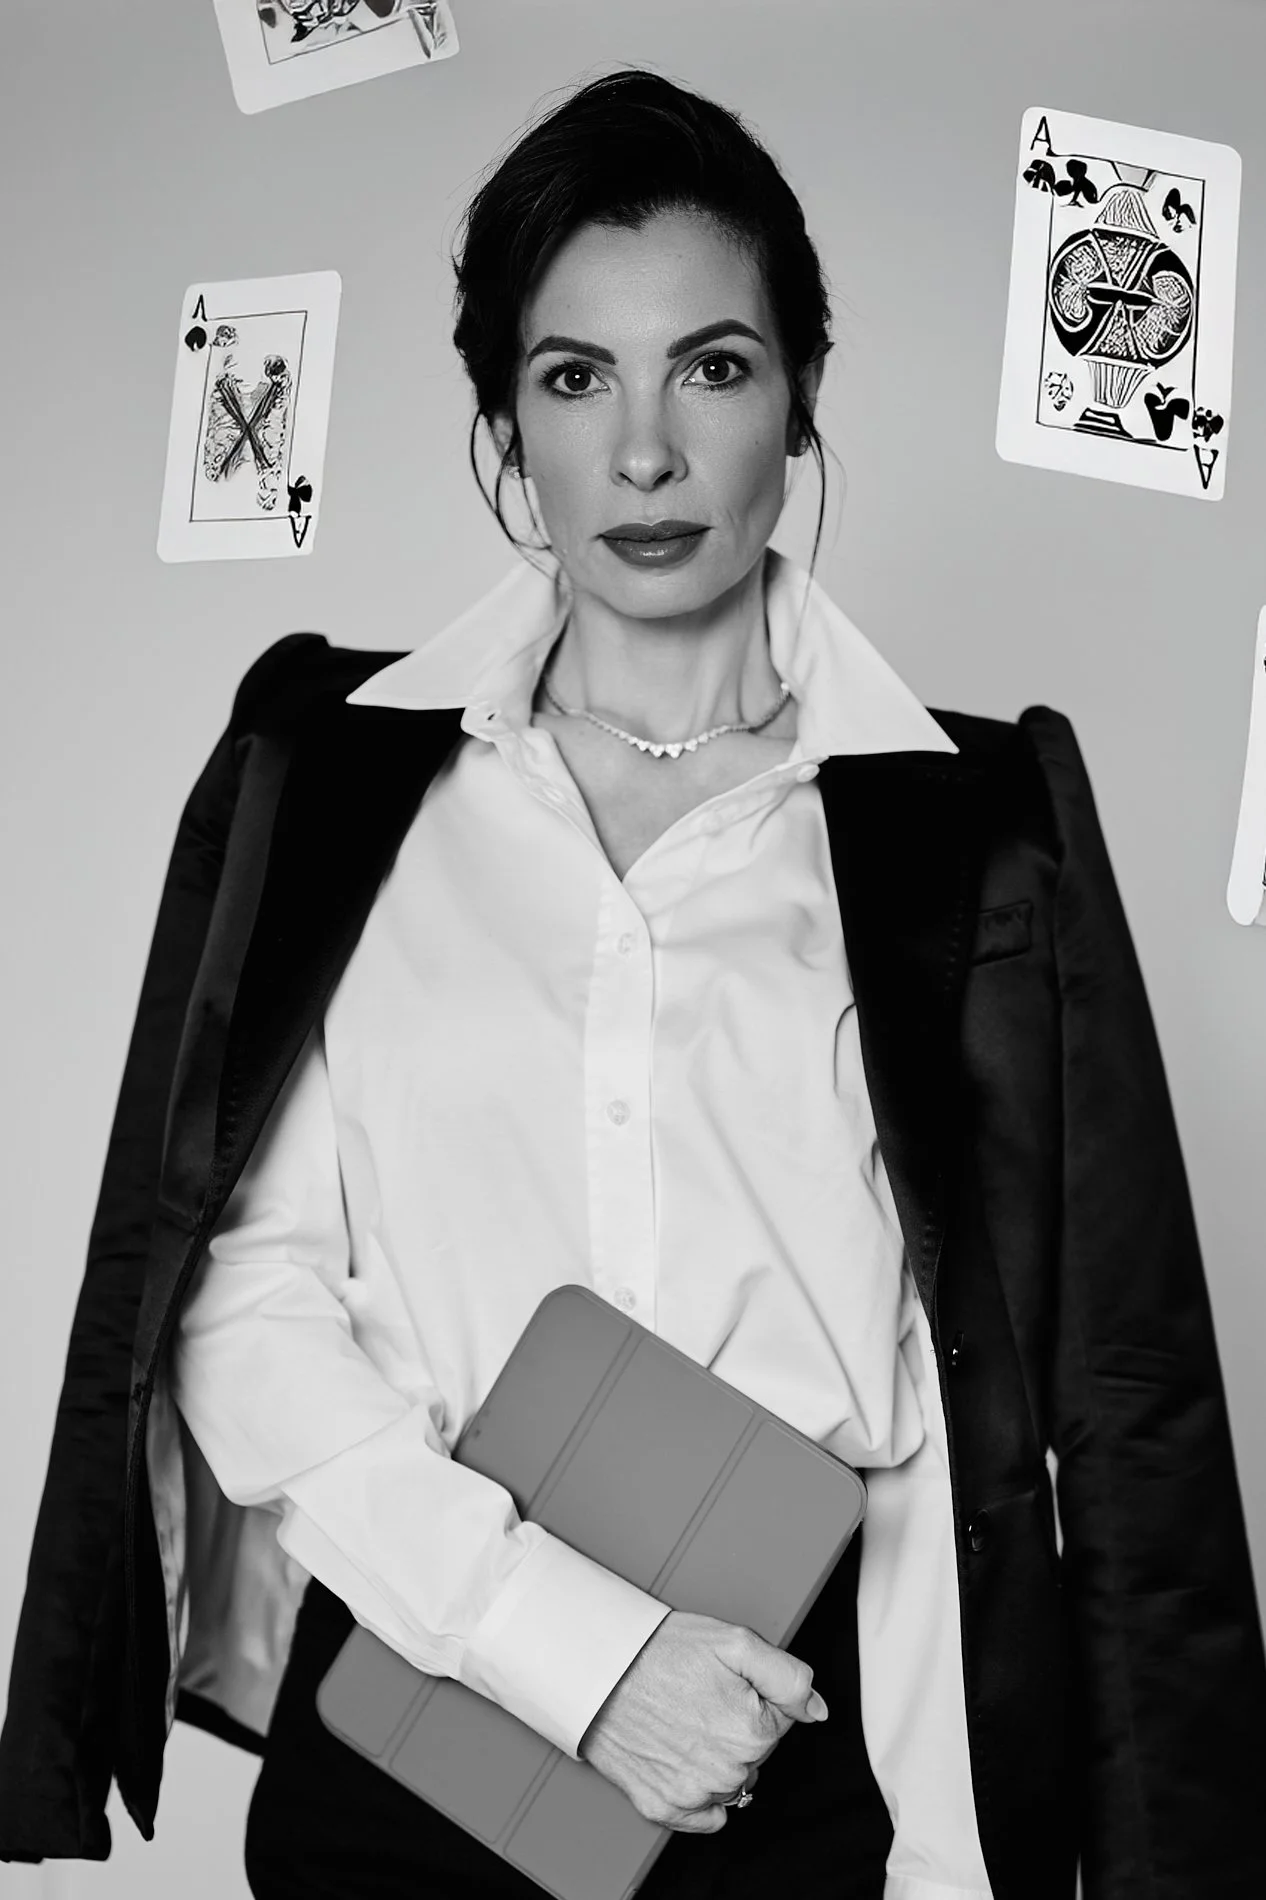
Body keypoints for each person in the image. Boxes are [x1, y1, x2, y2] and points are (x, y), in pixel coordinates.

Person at [2, 66, 1264, 1900]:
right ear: (505, 426)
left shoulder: (977, 825)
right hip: (423, 1707)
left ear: (803, 396)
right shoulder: (335, 771)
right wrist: (569, 1651)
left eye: (716, 367)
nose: (646, 453)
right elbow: (239, 1303)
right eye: (574, 378)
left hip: (808, 1753)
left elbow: (1082, 1384)